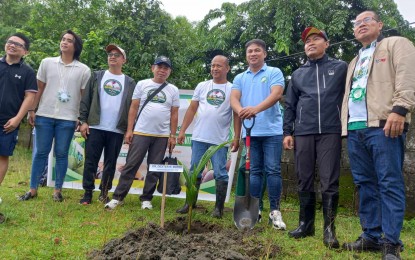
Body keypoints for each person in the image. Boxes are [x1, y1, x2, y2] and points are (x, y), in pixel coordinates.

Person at [341, 11, 415, 259]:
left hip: (384, 124)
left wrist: (400, 109)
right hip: (355, 128)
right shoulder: (354, 60)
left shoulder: (396, 44)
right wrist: (345, 126)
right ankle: (371, 236)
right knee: (364, 184)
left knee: (389, 181)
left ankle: (391, 242)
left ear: (379, 25)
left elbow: (407, 77)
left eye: (367, 21)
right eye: (357, 23)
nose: (361, 25)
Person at [283, 27, 347, 248]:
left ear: (326, 43)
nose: (310, 43)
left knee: (330, 180)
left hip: (331, 130)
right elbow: (289, 105)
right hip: (303, 132)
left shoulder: (340, 68)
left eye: (316, 39)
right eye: (307, 41)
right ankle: (305, 224)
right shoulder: (298, 74)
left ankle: (329, 230)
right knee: (304, 178)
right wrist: (287, 132)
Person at [19, 30, 91, 202]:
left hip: (68, 118)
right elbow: (38, 89)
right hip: (44, 114)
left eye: (69, 40)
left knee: (61, 154)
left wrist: (81, 119)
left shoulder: (84, 70)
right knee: (40, 153)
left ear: (76, 46)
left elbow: (83, 97)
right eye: (63, 39)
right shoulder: (47, 63)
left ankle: (57, 190)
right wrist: (31, 110)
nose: (64, 42)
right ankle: (32, 189)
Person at [105, 56, 179, 210]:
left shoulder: (173, 90)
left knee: (154, 168)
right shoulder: (142, 84)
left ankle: (146, 199)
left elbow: (174, 114)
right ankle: (118, 197)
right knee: (131, 165)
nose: (162, 70)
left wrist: (172, 135)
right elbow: (133, 107)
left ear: (169, 71)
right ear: (153, 68)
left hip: (162, 135)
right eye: (159, 67)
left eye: (166, 68)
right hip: (140, 132)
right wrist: (130, 130)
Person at [175, 55, 241, 218]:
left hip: (219, 141)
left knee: (220, 172)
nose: (215, 69)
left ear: (227, 68)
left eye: (219, 66)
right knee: (194, 171)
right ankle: (189, 203)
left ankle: (218, 209)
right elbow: (191, 109)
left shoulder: (233, 88)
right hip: (199, 138)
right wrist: (182, 130)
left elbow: (236, 114)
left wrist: (237, 137)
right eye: (212, 66)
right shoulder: (202, 86)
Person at [230, 39, 286, 230]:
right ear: (246, 55)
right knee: (254, 171)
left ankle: (275, 211)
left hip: (272, 132)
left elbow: (276, 94)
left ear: (264, 54)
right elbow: (234, 99)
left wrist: (255, 109)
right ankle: (256, 209)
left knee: (273, 170)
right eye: (250, 51)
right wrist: (241, 110)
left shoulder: (273, 72)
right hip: (250, 133)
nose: (253, 54)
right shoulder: (240, 78)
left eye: (257, 51)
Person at [78, 44, 136, 205]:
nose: (112, 56)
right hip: (95, 126)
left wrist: (128, 129)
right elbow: (86, 100)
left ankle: (104, 193)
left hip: (117, 130)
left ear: (124, 60)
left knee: (111, 163)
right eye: (110, 54)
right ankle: (87, 193)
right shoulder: (97, 75)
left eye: (117, 55)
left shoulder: (130, 82)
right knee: (91, 161)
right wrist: (83, 121)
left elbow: (133, 107)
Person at [0, 33, 37, 198]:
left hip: (8, 122)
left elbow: (30, 97)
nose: (12, 45)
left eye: (17, 44)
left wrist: (17, 119)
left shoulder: (28, 72)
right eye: (10, 42)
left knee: (2, 155)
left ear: (25, 52)